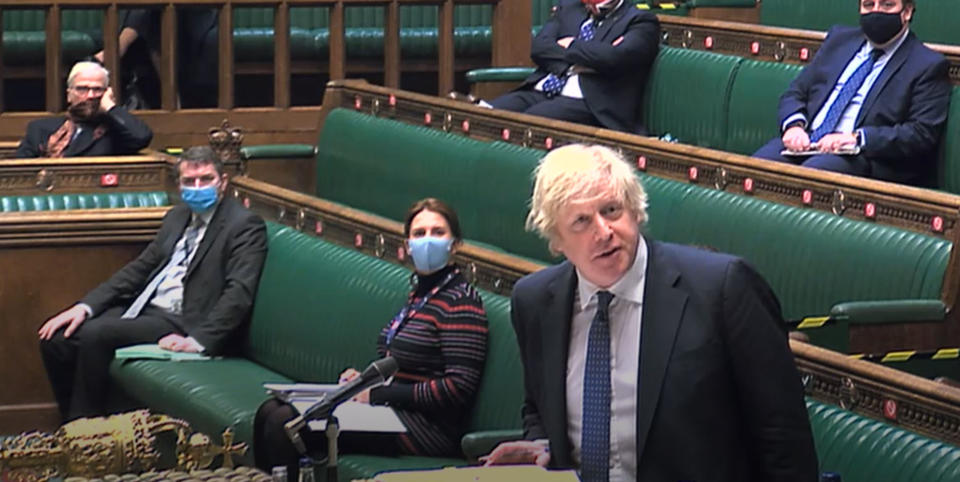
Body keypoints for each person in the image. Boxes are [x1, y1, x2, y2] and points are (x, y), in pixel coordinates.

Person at [482, 145, 819, 481]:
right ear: (556, 238)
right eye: (582, 221)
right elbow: (538, 408)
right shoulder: (535, 301)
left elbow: (782, 435)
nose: (603, 232)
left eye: (611, 209)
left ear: (636, 210)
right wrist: (541, 445)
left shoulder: (723, 288)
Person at [254, 198, 489, 479]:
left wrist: (375, 394)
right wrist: (362, 382)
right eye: (419, 233)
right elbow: (403, 365)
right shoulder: (421, 295)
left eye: (438, 233)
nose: (428, 240)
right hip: (392, 412)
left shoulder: (461, 302)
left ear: (455, 244)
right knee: (269, 410)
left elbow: (458, 388)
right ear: (407, 244)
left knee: (285, 422)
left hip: (426, 428)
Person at [38, 146, 267, 421]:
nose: (198, 187)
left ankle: (86, 433)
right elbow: (139, 269)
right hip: (147, 308)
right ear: (178, 185)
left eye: (206, 179)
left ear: (223, 183)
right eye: (189, 181)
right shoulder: (177, 217)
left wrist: (198, 341)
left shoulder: (243, 225)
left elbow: (239, 292)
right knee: (58, 338)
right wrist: (85, 306)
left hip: (184, 319)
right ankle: (72, 423)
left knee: (97, 334)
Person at [753, 0, 950, 186]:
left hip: (861, 156)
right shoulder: (839, 40)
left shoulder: (927, 65)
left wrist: (857, 138)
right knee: (758, 168)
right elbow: (796, 92)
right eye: (868, 4)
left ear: (906, 12)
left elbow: (921, 134)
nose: (876, 11)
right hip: (808, 141)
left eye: (887, 5)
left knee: (812, 176)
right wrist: (794, 126)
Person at [485, 0, 659, 134]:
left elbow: (615, 58)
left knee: (526, 125)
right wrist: (586, 58)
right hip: (543, 88)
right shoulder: (569, 8)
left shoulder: (640, 21)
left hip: (588, 102)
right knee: (485, 114)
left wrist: (571, 45)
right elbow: (539, 48)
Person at [15, 61, 153, 158]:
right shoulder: (40, 128)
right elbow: (20, 172)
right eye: (82, 89)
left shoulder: (114, 131)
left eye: (98, 89)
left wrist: (111, 107)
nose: (90, 96)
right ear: (69, 94)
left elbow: (141, 137)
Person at [94, 8, 218, 109]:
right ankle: (172, 101)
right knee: (157, 13)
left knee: (157, 11)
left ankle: (117, 48)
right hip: (155, 16)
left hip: (196, 11)